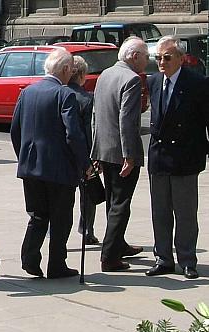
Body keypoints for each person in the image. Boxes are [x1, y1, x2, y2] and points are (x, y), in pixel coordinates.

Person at [12, 49, 90, 279]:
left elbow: (16, 130)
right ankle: (56, 264)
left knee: (37, 215)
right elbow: (73, 134)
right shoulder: (64, 94)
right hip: (59, 168)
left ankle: (30, 258)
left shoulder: (27, 92)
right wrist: (84, 163)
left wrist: (23, 157)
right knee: (61, 218)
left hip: (31, 167)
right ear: (66, 69)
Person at [145, 36, 209, 280]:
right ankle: (163, 258)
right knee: (160, 213)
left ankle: (187, 260)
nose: (161, 62)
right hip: (159, 158)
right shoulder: (153, 81)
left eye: (167, 58)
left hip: (185, 158)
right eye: (158, 58)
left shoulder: (197, 83)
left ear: (181, 59)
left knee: (185, 214)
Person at [91, 37, 148, 272]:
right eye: (146, 56)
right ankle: (110, 256)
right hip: (121, 153)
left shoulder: (105, 74)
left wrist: (95, 151)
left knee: (113, 202)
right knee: (121, 204)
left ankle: (118, 244)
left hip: (105, 149)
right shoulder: (132, 79)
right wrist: (129, 155)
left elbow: (96, 115)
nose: (148, 60)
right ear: (134, 56)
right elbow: (127, 121)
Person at [67, 56, 98, 245]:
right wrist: (92, 157)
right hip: (82, 154)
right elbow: (89, 131)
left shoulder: (59, 93)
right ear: (81, 75)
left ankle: (54, 231)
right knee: (87, 195)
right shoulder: (87, 99)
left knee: (61, 197)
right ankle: (87, 229)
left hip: (62, 155)